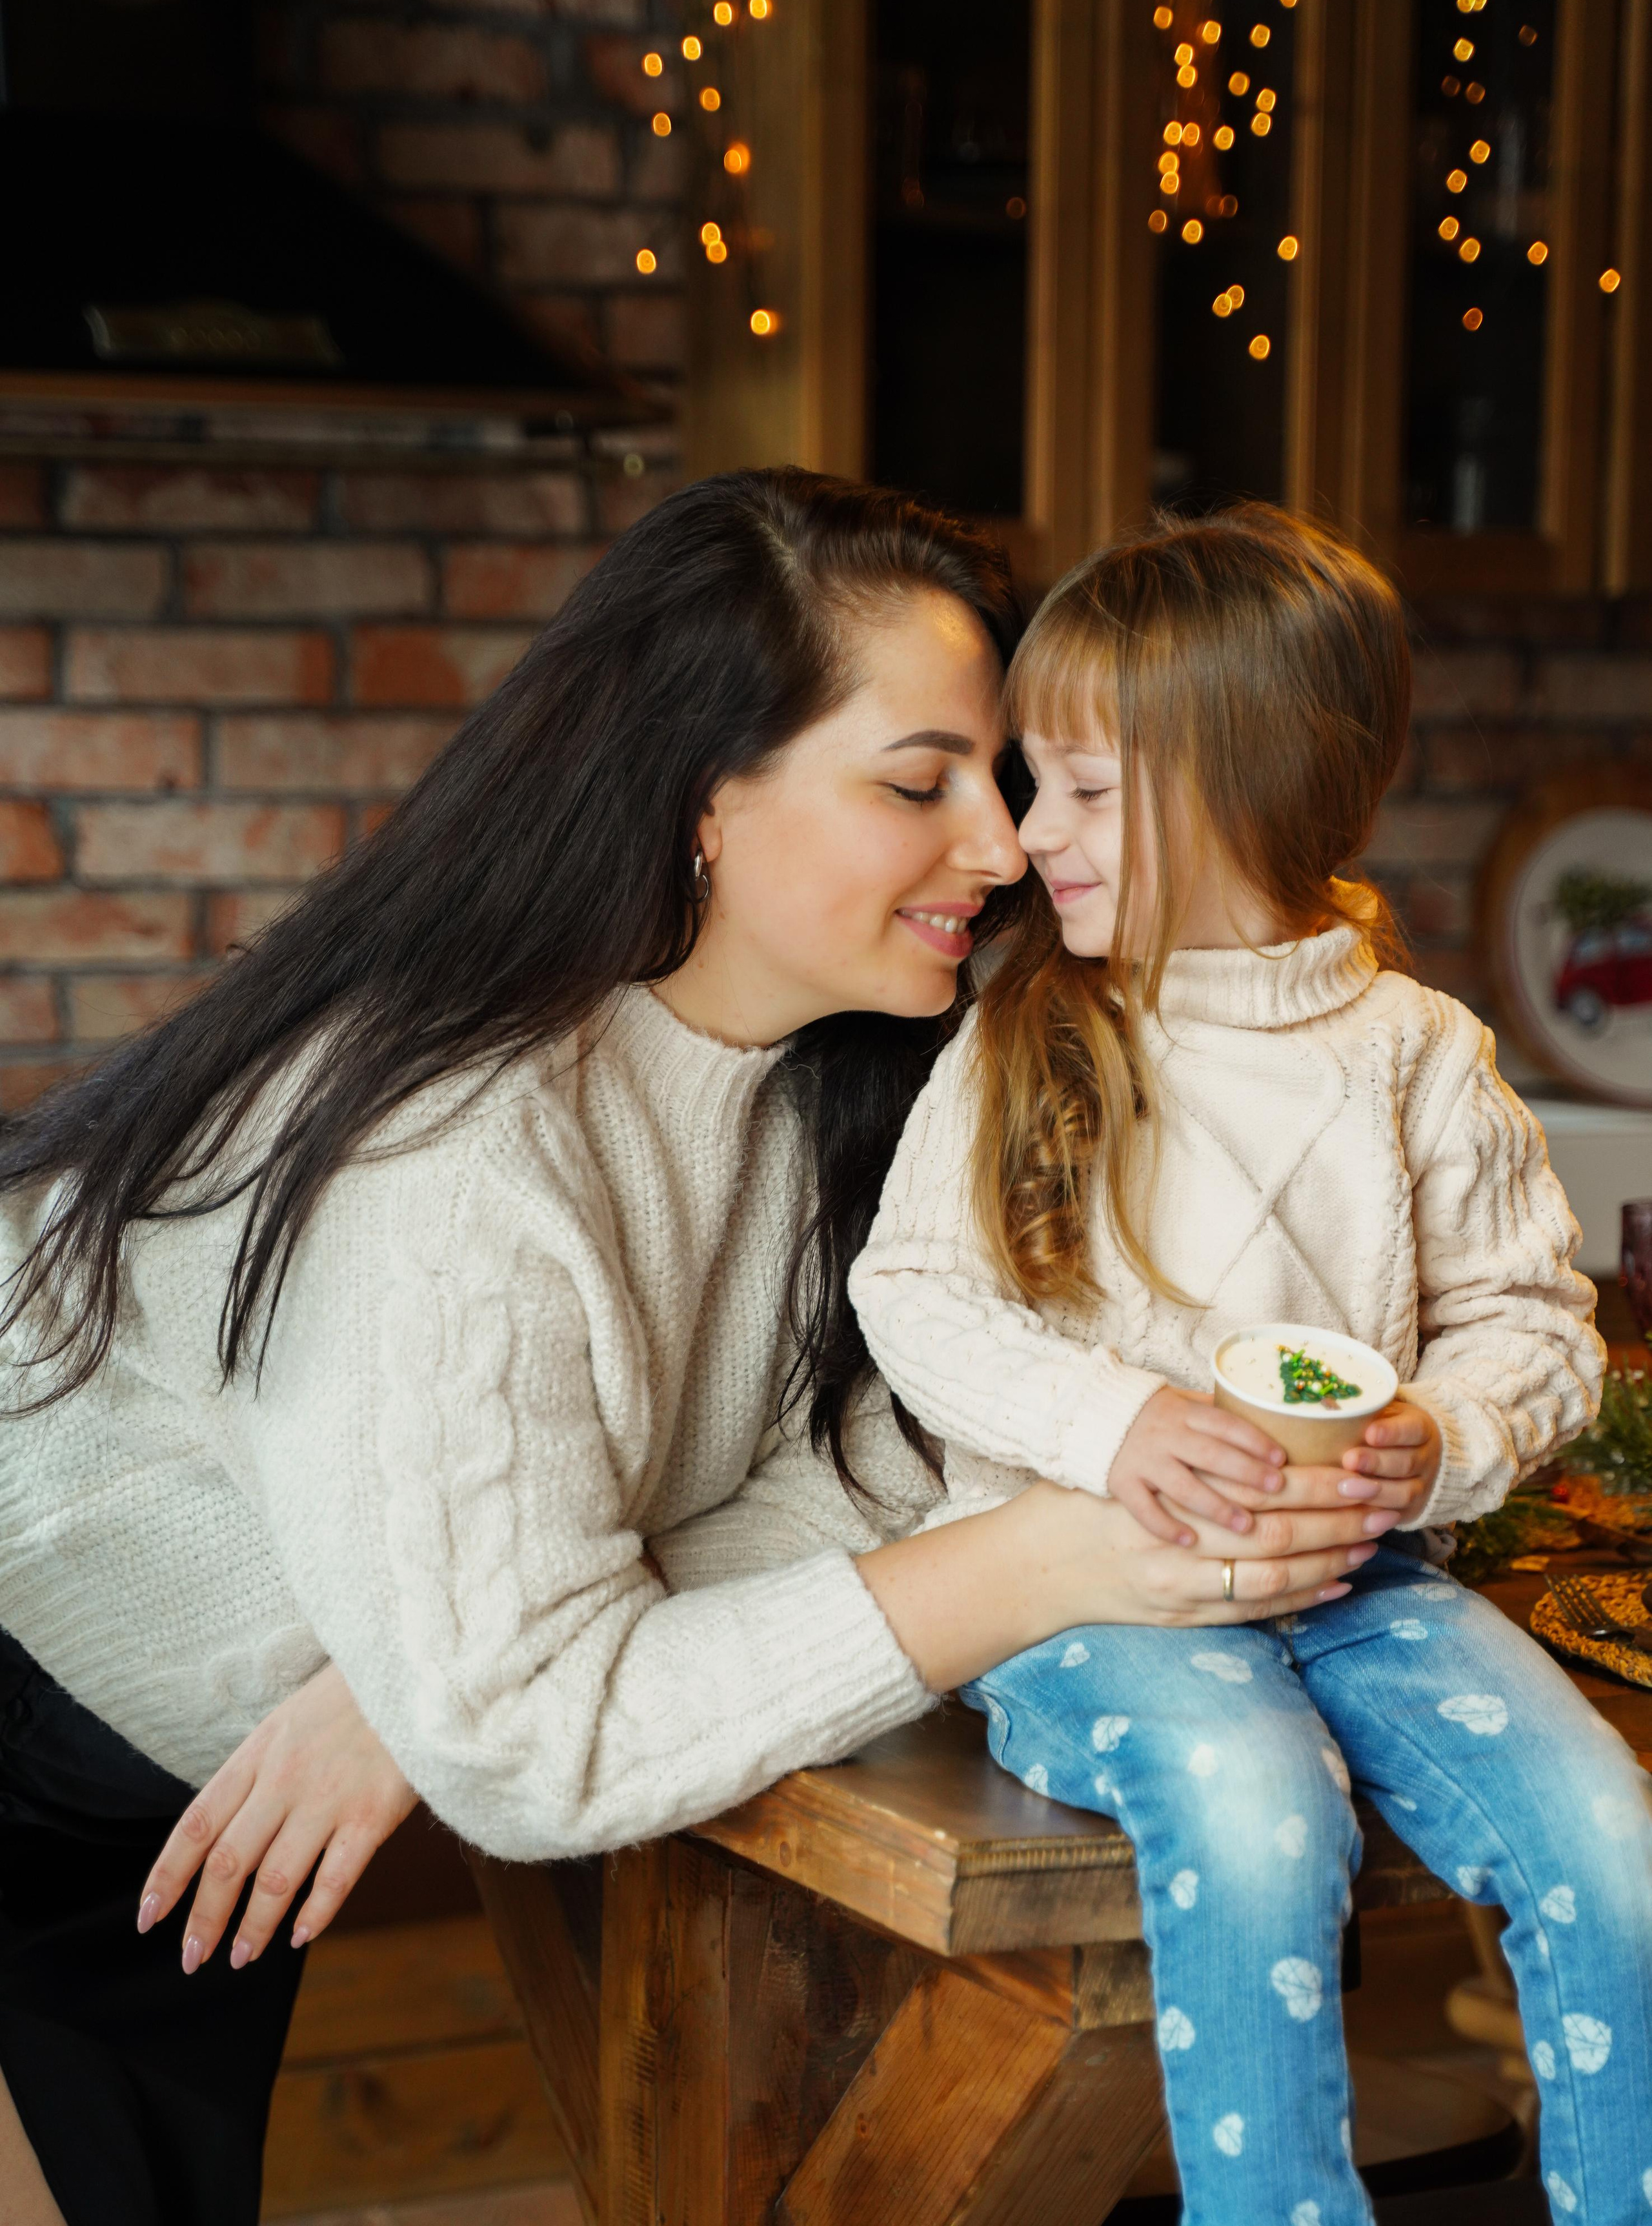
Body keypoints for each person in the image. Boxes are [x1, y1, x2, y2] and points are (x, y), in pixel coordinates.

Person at [0, 471, 1384, 2226]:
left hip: (187, 1819)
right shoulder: (460, 1155)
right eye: (917, 782)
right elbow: (532, 1732)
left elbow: (870, 1464)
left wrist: (425, 1674)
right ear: (704, 797)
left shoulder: (860, 1082)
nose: (1005, 842)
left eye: (1005, 777)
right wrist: (1048, 1553)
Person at [848, 505, 1645, 2226]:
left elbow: (1536, 1329)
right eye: (1020, 779)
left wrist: (1436, 1435)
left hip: (1358, 1578)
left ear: (1239, 781)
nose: (1021, 831)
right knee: (1258, 1811)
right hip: (1089, 1593)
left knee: (1623, 1855)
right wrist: (1116, 1420)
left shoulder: (1418, 1051)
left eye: (1078, 787)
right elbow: (912, 1293)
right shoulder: (1024, 1031)